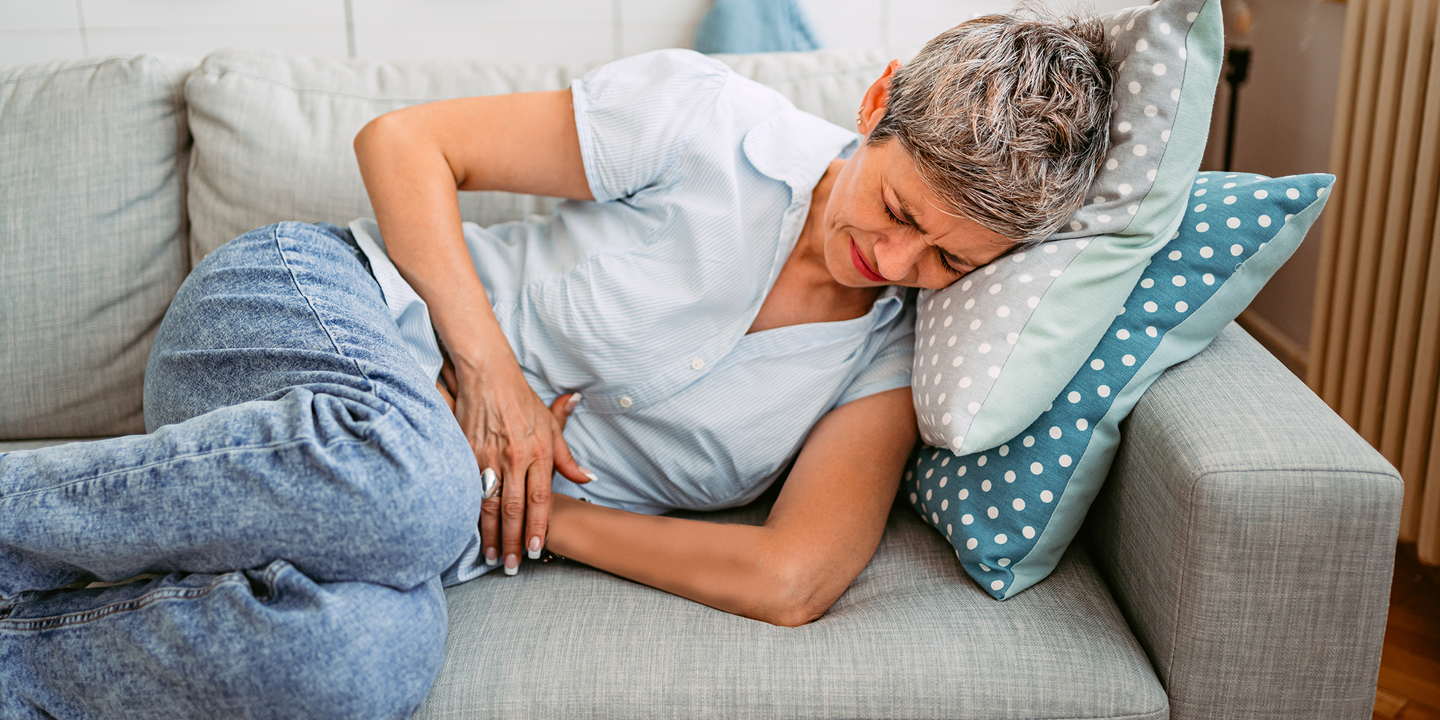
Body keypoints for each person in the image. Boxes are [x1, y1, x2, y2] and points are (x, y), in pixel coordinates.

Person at [0, 11, 1114, 720]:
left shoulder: (885, 359)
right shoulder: (712, 126)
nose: (896, 261)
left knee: (358, 670)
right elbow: (405, 143)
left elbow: (791, 580)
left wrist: (530, 514)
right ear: (876, 107)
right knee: (415, 484)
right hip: (305, 313)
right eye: (898, 209)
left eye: (948, 259)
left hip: (406, 525)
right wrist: (488, 381)